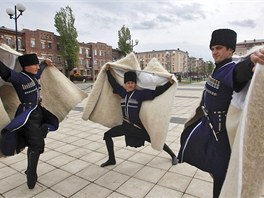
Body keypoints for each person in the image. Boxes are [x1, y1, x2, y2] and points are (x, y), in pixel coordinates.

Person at [177, 28, 264, 198]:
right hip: (209, 128)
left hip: (222, 134)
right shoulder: (218, 68)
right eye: (212, 48)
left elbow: (239, 73)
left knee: (221, 175)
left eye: (219, 48)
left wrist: (251, 63)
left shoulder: (229, 68)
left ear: (230, 50)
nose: (214, 52)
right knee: (204, 159)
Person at [0, 54, 59, 189]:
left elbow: (41, 69)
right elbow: (4, 71)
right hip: (28, 115)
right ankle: (31, 175)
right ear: (26, 66)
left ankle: (29, 169)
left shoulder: (34, 76)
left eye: (37, 65)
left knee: (34, 142)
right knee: (37, 145)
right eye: (35, 65)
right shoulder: (19, 77)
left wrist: (45, 62)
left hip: (38, 112)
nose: (38, 67)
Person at [100, 65, 178, 167]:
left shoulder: (139, 94)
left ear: (135, 84)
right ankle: (111, 159)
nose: (130, 85)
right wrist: (108, 72)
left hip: (137, 128)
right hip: (126, 126)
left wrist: (169, 83)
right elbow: (113, 84)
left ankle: (173, 156)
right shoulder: (123, 93)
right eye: (128, 83)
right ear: (125, 84)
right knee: (107, 135)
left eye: (132, 83)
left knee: (155, 140)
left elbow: (156, 92)